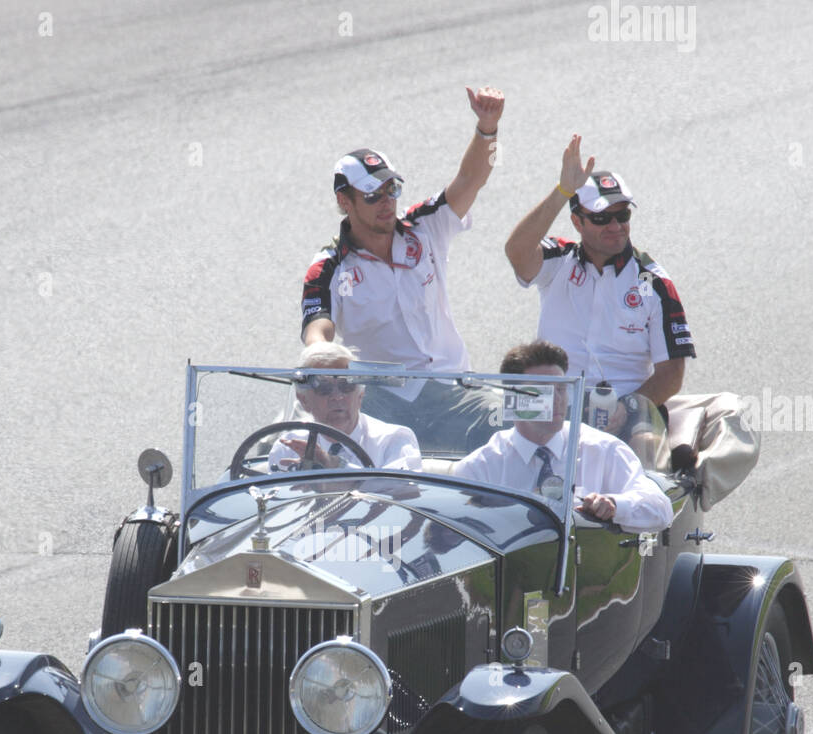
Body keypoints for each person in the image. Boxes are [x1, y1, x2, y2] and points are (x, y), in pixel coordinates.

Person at [300, 87, 506, 451]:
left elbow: (470, 180)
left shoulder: (426, 227)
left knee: (515, 423)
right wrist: (321, 354)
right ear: (344, 201)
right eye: (371, 195)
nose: (386, 202)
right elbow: (317, 331)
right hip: (382, 400)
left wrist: (486, 127)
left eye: (391, 189)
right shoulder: (328, 266)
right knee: (300, 439)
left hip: (453, 391)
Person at [503, 136, 695, 420]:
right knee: (495, 442)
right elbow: (516, 251)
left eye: (623, 215)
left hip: (624, 411)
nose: (616, 226)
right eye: (602, 219)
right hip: (552, 410)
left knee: (645, 444)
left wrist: (627, 410)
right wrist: (562, 192)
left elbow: (671, 374)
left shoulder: (654, 284)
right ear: (577, 221)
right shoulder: (557, 261)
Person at [452, 340, 673, 532]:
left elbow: (661, 509)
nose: (558, 399)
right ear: (513, 398)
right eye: (543, 390)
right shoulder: (480, 467)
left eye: (561, 388)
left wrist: (616, 505)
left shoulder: (602, 449)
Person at [266, 342, 423, 472]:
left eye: (346, 386)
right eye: (324, 388)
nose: (337, 396)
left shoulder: (393, 439)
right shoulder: (289, 446)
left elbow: (404, 494)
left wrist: (335, 465)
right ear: (304, 401)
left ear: (360, 396)